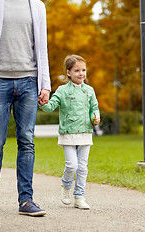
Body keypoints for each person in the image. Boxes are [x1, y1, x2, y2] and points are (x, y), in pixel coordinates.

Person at [0, 0, 50, 217]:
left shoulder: (37, 6)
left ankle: (26, 200)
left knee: (27, 140)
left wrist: (45, 84)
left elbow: (42, 47)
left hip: (29, 81)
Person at [40, 55, 100, 210]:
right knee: (72, 165)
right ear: (68, 72)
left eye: (83, 70)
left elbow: (95, 107)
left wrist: (96, 117)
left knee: (82, 167)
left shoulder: (89, 91)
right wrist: (43, 103)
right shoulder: (62, 90)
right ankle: (66, 186)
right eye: (77, 70)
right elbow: (51, 105)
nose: (81, 73)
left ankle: (79, 197)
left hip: (85, 132)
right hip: (68, 133)